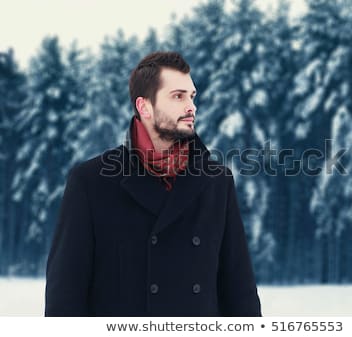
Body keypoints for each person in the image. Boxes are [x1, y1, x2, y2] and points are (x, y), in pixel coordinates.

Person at [45, 51, 262, 317]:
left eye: (192, 96)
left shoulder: (217, 182)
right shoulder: (91, 182)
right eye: (178, 96)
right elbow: (65, 297)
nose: (191, 107)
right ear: (144, 106)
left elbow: (240, 293)